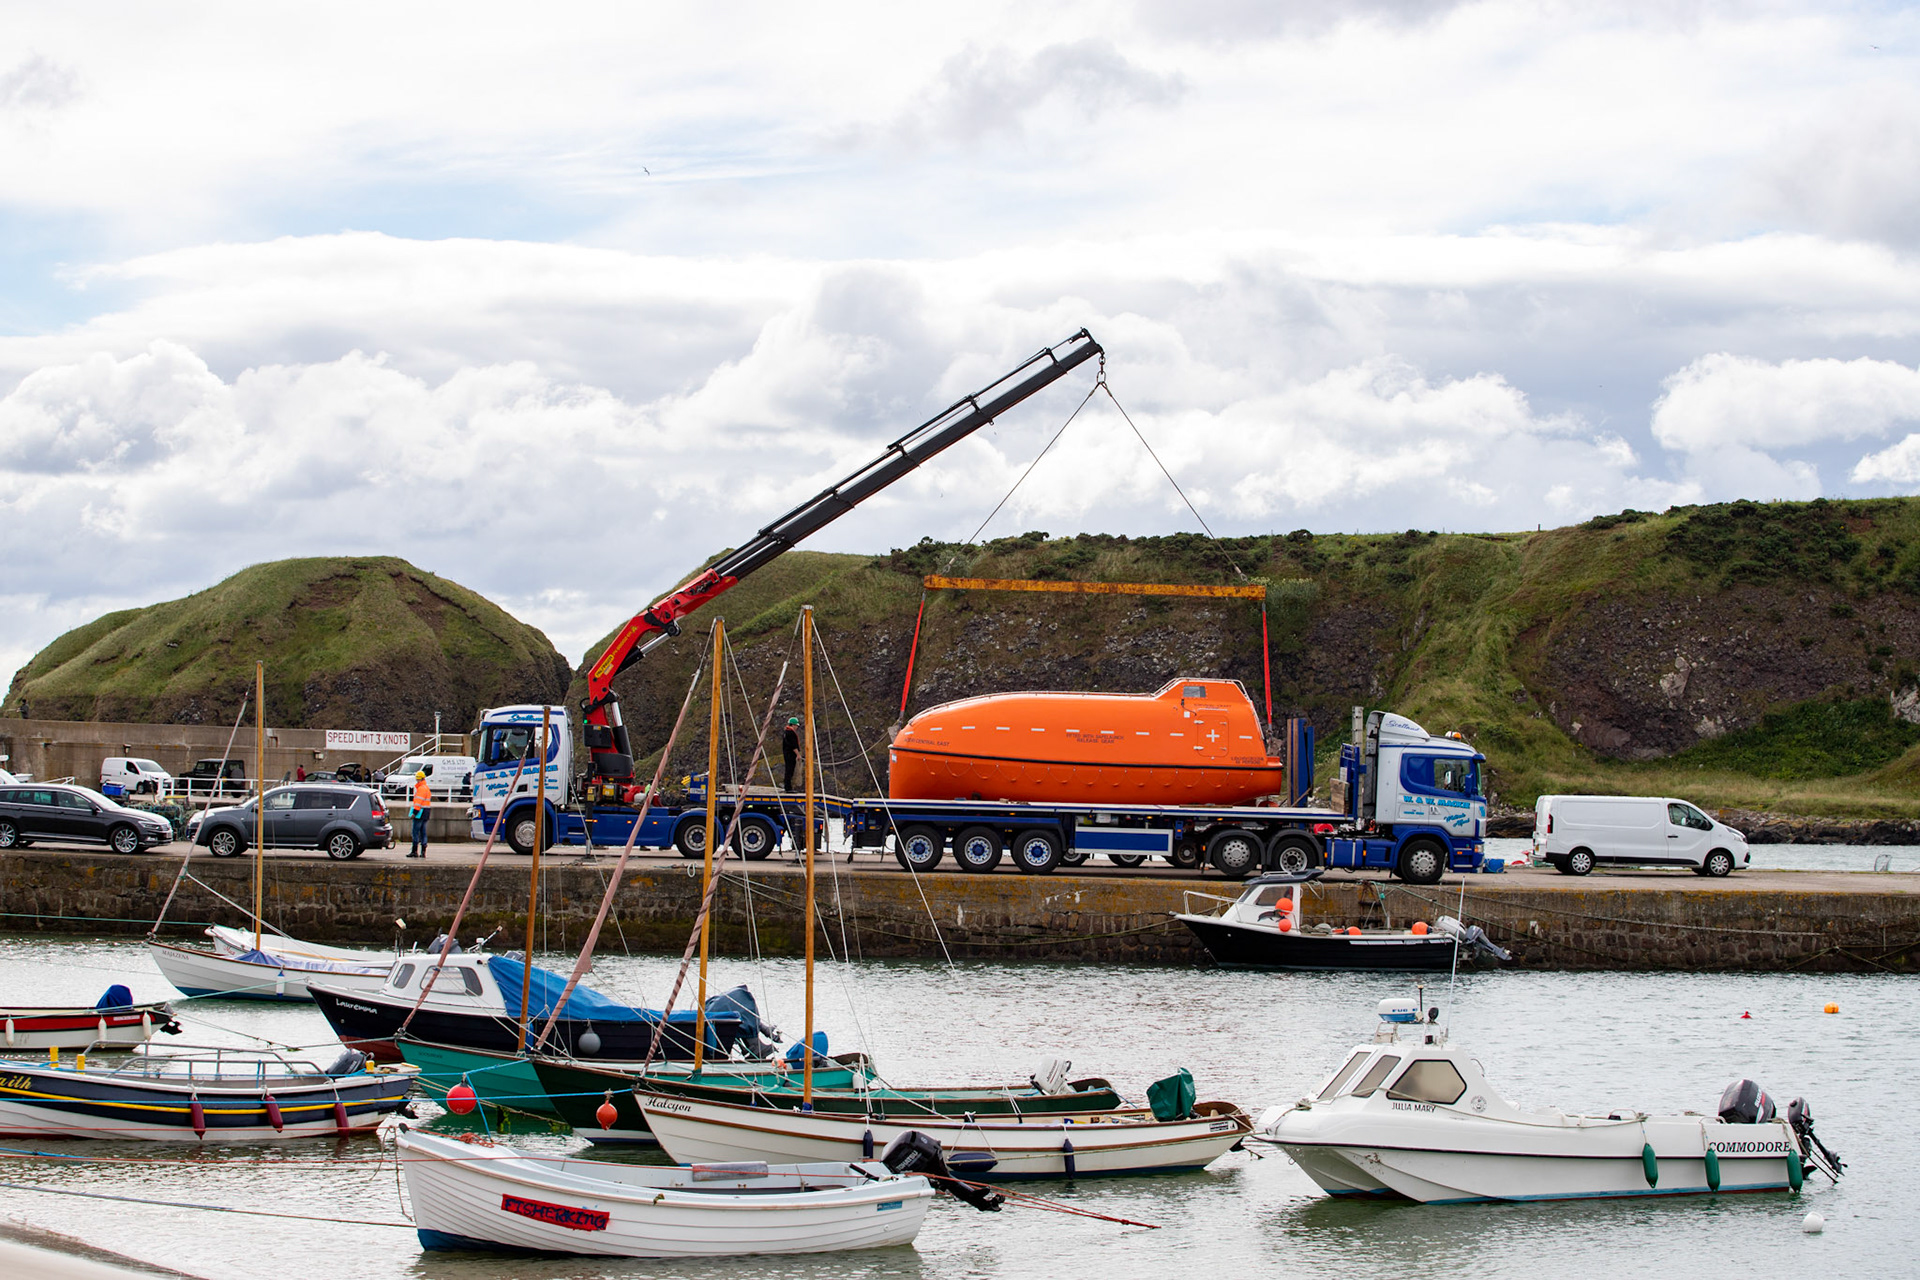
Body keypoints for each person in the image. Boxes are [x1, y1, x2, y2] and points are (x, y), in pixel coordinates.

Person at [408, 769, 431, 858]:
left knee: (415, 832)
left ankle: (414, 851)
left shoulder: (421, 789)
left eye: (417, 779)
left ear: (419, 779)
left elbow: (418, 803)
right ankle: (423, 851)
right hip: (426, 812)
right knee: (423, 832)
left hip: (420, 813)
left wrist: (414, 813)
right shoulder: (426, 788)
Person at [781, 716, 800, 791]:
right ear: (793, 725)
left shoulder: (786, 732)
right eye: (796, 725)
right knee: (790, 770)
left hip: (787, 753)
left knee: (788, 770)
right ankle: (788, 787)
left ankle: (787, 786)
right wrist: (798, 754)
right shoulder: (790, 733)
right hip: (790, 754)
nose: (797, 727)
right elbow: (793, 745)